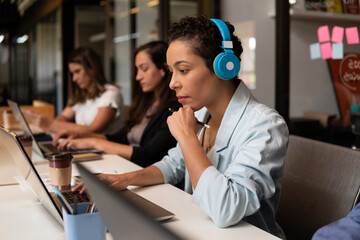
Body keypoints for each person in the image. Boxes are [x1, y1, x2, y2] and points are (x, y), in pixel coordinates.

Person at [74, 16, 288, 238]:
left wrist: (187, 137)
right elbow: (172, 165)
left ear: (224, 67)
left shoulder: (264, 125)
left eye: (183, 70)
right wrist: (125, 179)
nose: (172, 83)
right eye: (171, 71)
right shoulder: (202, 114)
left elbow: (226, 209)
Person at [54, 41, 180, 167]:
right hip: (127, 166)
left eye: (144, 69)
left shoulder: (174, 109)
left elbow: (147, 156)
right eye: (137, 70)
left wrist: (94, 142)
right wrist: (81, 136)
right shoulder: (145, 105)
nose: (137, 77)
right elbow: (117, 139)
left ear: (163, 69)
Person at [25, 47, 124, 135]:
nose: (74, 79)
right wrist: (55, 124)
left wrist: (50, 124)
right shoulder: (81, 95)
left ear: (92, 68)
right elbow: (63, 117)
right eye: (72, 74)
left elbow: (93, 130)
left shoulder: (111, 93)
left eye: (77, 72)